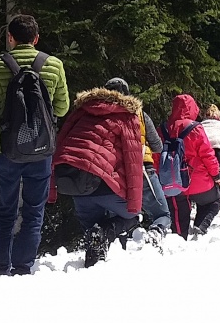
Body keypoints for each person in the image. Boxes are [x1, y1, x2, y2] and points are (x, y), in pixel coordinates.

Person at [0, 14, 70, 275]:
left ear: (10, 38)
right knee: (34, 210)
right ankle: (24, 265)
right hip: (40, 150)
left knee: (5, 209)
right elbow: (62, 107)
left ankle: (2, 264)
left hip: (7, 151)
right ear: (36, 39)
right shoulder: (53, 65)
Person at [47, 85, 146, 268]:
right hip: (105, 184)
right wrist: (134, 205)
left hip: (76, 183)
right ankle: (105, 235)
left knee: (92, 230)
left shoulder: (81, 112)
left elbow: (60, 144)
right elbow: (133, 162)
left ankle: (92, 264)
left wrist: (51, 188)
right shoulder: (126, 115)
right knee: (132, 217)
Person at [105, 77, 171, 238]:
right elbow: (157, 146)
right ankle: (156, 232)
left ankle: (112, 238)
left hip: (111, 173)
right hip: (142, 169)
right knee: (162, 214)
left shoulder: (99, 114)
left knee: (120, 215)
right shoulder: (138, 112)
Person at [164, 93, 220, 237]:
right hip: (199, 182)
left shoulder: (163, 129)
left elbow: (157, 156)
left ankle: (179, 238)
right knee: (214, 201)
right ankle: (200, 228)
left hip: (173, 182)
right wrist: (216, 175)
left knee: (178, 214)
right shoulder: (195, 127)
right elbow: (208, 155)